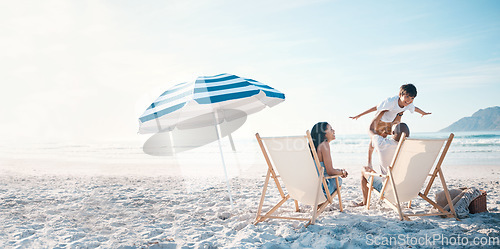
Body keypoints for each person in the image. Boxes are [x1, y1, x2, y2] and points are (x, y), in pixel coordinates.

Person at [350, 84, 431, 168]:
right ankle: (369, 162)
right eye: (407, 97)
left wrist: (423, 113)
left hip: (391, 122)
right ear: (400, 95)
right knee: (374, 140)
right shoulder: (390, 101)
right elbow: (375, 108)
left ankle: (384, 158)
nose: (409, 100)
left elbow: (415, 108)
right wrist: (359, 115)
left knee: (385, 139)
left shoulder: (409, 104)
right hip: (380, 120)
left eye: (412, 98)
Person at [356, 122, 410, 206]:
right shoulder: (411, 148)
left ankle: (364, 202)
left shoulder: (382, 143)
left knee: (364, 170)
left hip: (388, 191)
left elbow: (370, 130)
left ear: (392, 133)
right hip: (407, 190)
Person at [310, 122, 348, 197]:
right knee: (338, 180)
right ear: (324, 134)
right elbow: (330, 171)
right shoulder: (324, 145)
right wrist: (342, 173)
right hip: (321, 192)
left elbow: (321, 170)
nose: (333, 131)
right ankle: (320, 204)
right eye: (331, 129)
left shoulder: (312, 148)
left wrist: (339, 171)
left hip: (309, 190)